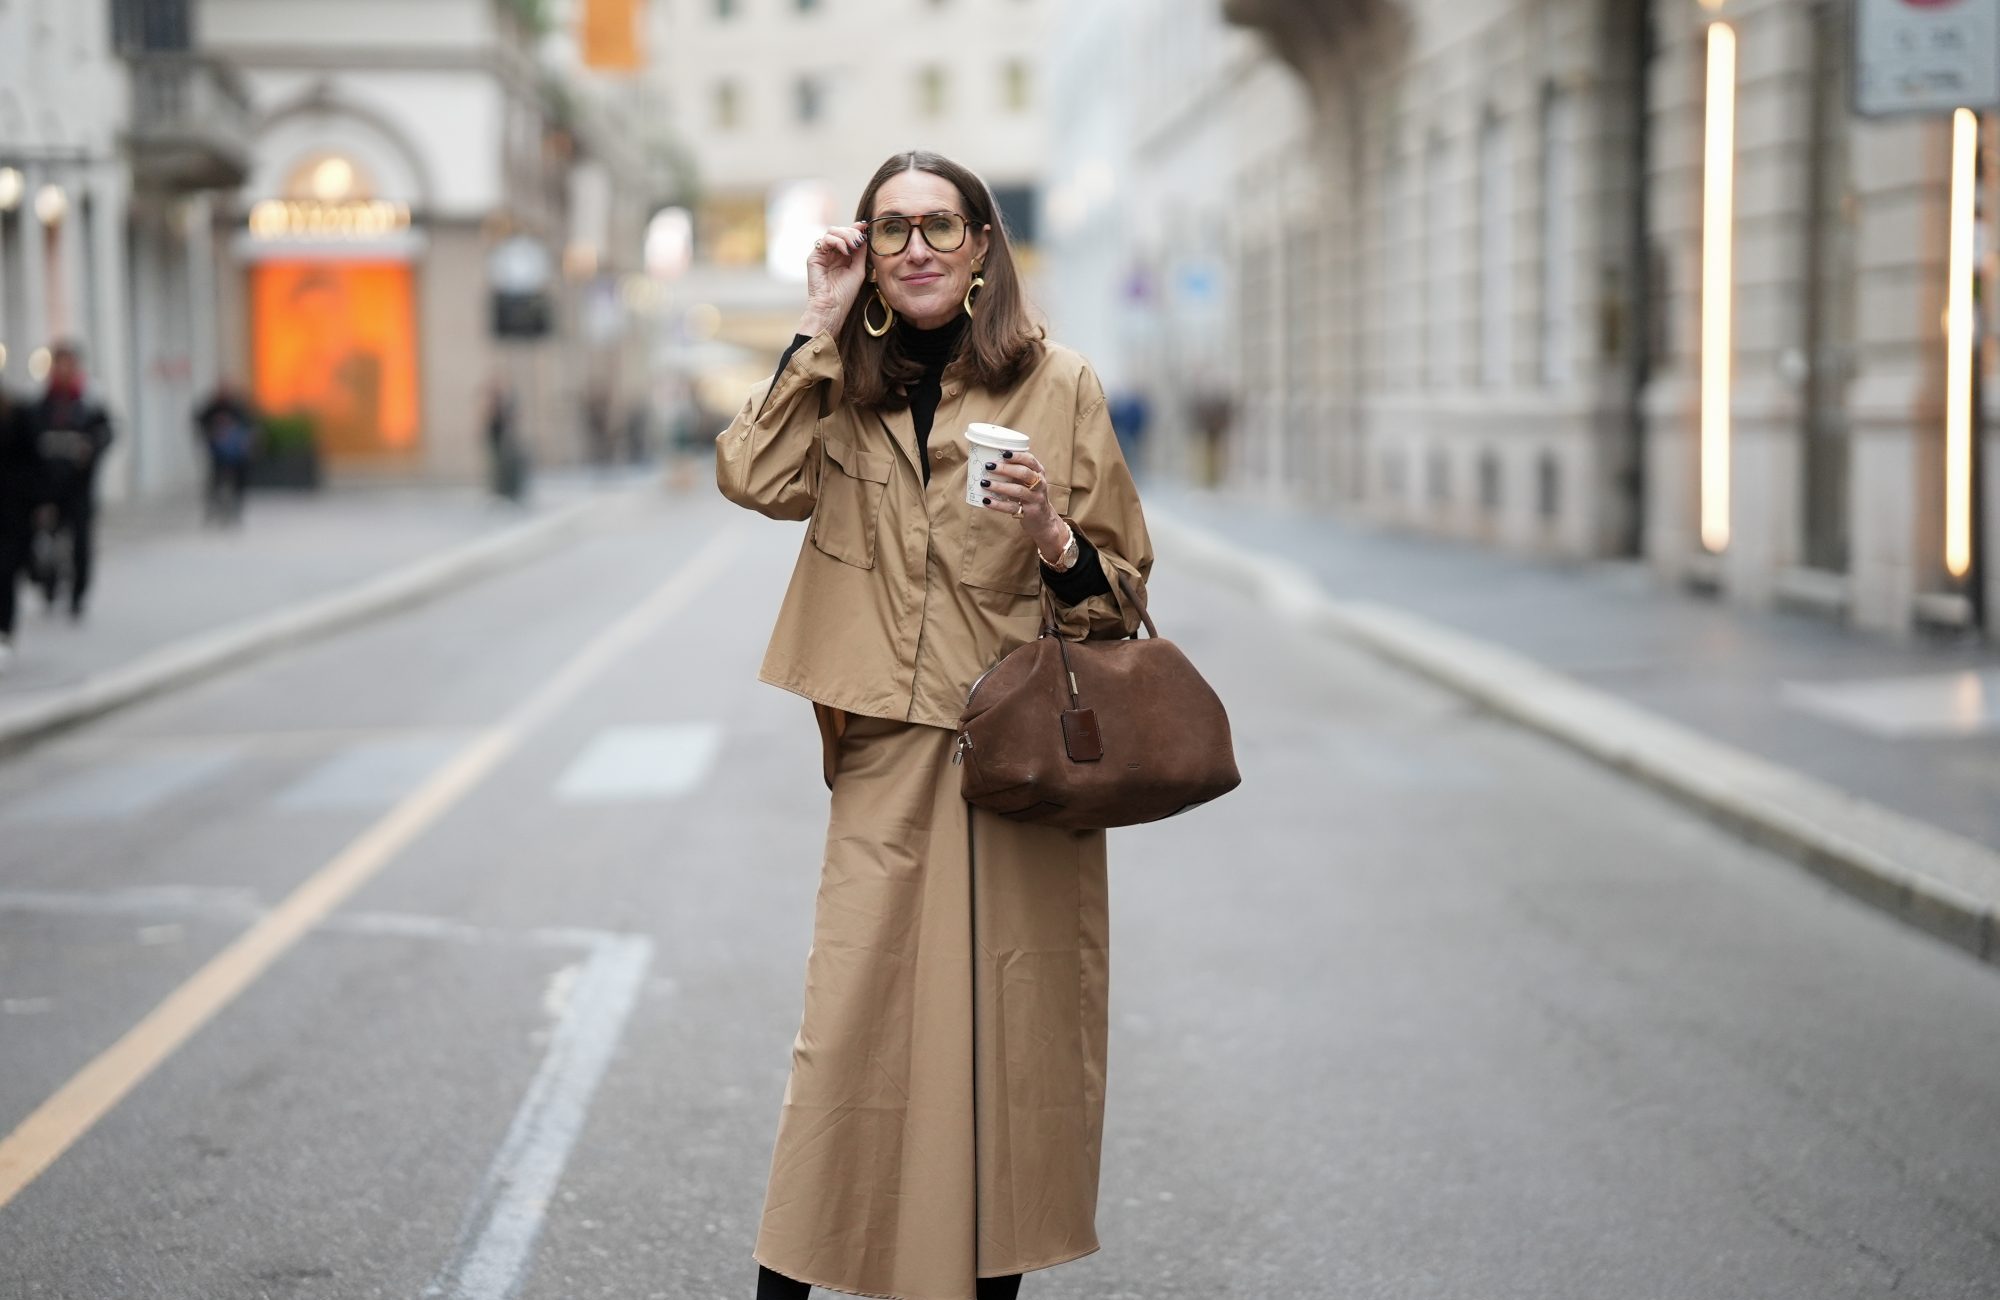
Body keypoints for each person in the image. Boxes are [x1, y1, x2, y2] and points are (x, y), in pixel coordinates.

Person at [717, 151, 1152, 1300]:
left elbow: (1120, 601)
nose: (915, 248)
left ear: (980, 247)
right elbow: (751, 477)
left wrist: (1052, 534)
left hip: (1019, 757)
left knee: (1006, 1047)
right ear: (863, 251)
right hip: (885, 753)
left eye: (939, 226)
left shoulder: (1059, 384)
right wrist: (814, 325)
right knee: (848, 1032)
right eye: (890, 228)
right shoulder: (836, 384)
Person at [30, 341, 114, 620]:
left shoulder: (89, 402)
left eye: (69, 365)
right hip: (48, 487)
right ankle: (49, 585)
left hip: (79, 486)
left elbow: (106, 433)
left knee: (80, 542)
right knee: (46, 541)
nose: (64, 370)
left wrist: (90, 450)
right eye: (60, 364)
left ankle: (77, 595)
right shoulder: (42, 403)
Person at [0, 382, 40, 672]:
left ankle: (5, 631)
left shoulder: (18, 415)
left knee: (6, 574)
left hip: (13, 512)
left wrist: (39, 502)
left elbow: (34, 462)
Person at [193, 379, 259, 526]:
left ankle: (235, 508)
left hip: (236, 453)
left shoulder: (237, 408)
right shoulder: (213, 407)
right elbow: (200, 420)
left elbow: (250, 426)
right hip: (218, 452)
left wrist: (247, 441)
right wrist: (211, 433)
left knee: (239, 479)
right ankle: (214, 507)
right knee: (216, 480)